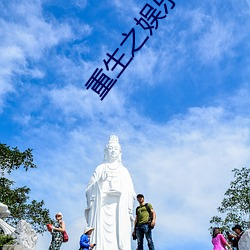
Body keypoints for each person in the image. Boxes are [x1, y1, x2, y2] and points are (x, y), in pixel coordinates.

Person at [85, 135, 136, 250]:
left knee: (119, 237)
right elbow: (88, 190)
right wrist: (100, 181)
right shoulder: (100, 169)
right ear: (106, 151)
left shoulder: (124, 171)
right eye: (111, 148)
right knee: (100, 237)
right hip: (101, 208)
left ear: (120, 152)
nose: (113, 151)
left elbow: (131, 193)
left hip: (119, 209)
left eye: (115, 149)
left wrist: (122, 192)